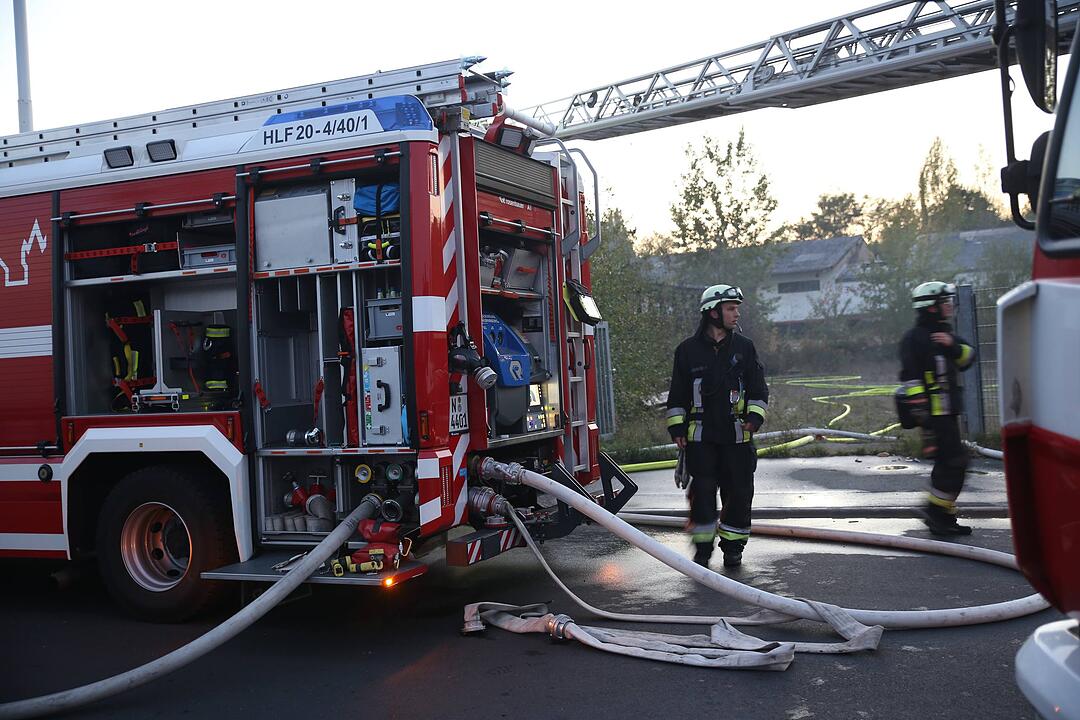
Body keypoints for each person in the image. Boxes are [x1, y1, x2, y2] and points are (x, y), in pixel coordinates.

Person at [666, 284, 768, 568]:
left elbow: (759, 390)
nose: (736, 314)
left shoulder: (744, 348)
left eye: (737, 309)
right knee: (703, 497)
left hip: (737, 437)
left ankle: (733, 548)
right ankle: (702, 550)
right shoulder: (686, 351)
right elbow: (677, 395)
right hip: (701, 440)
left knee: (739, 494)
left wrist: (755, 417)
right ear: (712, 312)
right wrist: (676, 429)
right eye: (731, 308)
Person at [899, 281, 977, 536]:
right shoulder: (914, 339)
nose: (949, 306)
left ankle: (942, 516)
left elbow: (968, 357)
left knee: (949, 463)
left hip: (948, 412)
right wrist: (924, 418)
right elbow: (911, 380)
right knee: (954, 462)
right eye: (945, 302)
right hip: (933, 416)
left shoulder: (945, 334)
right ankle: (935, 513)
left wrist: (950, 344)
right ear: (931, 307)